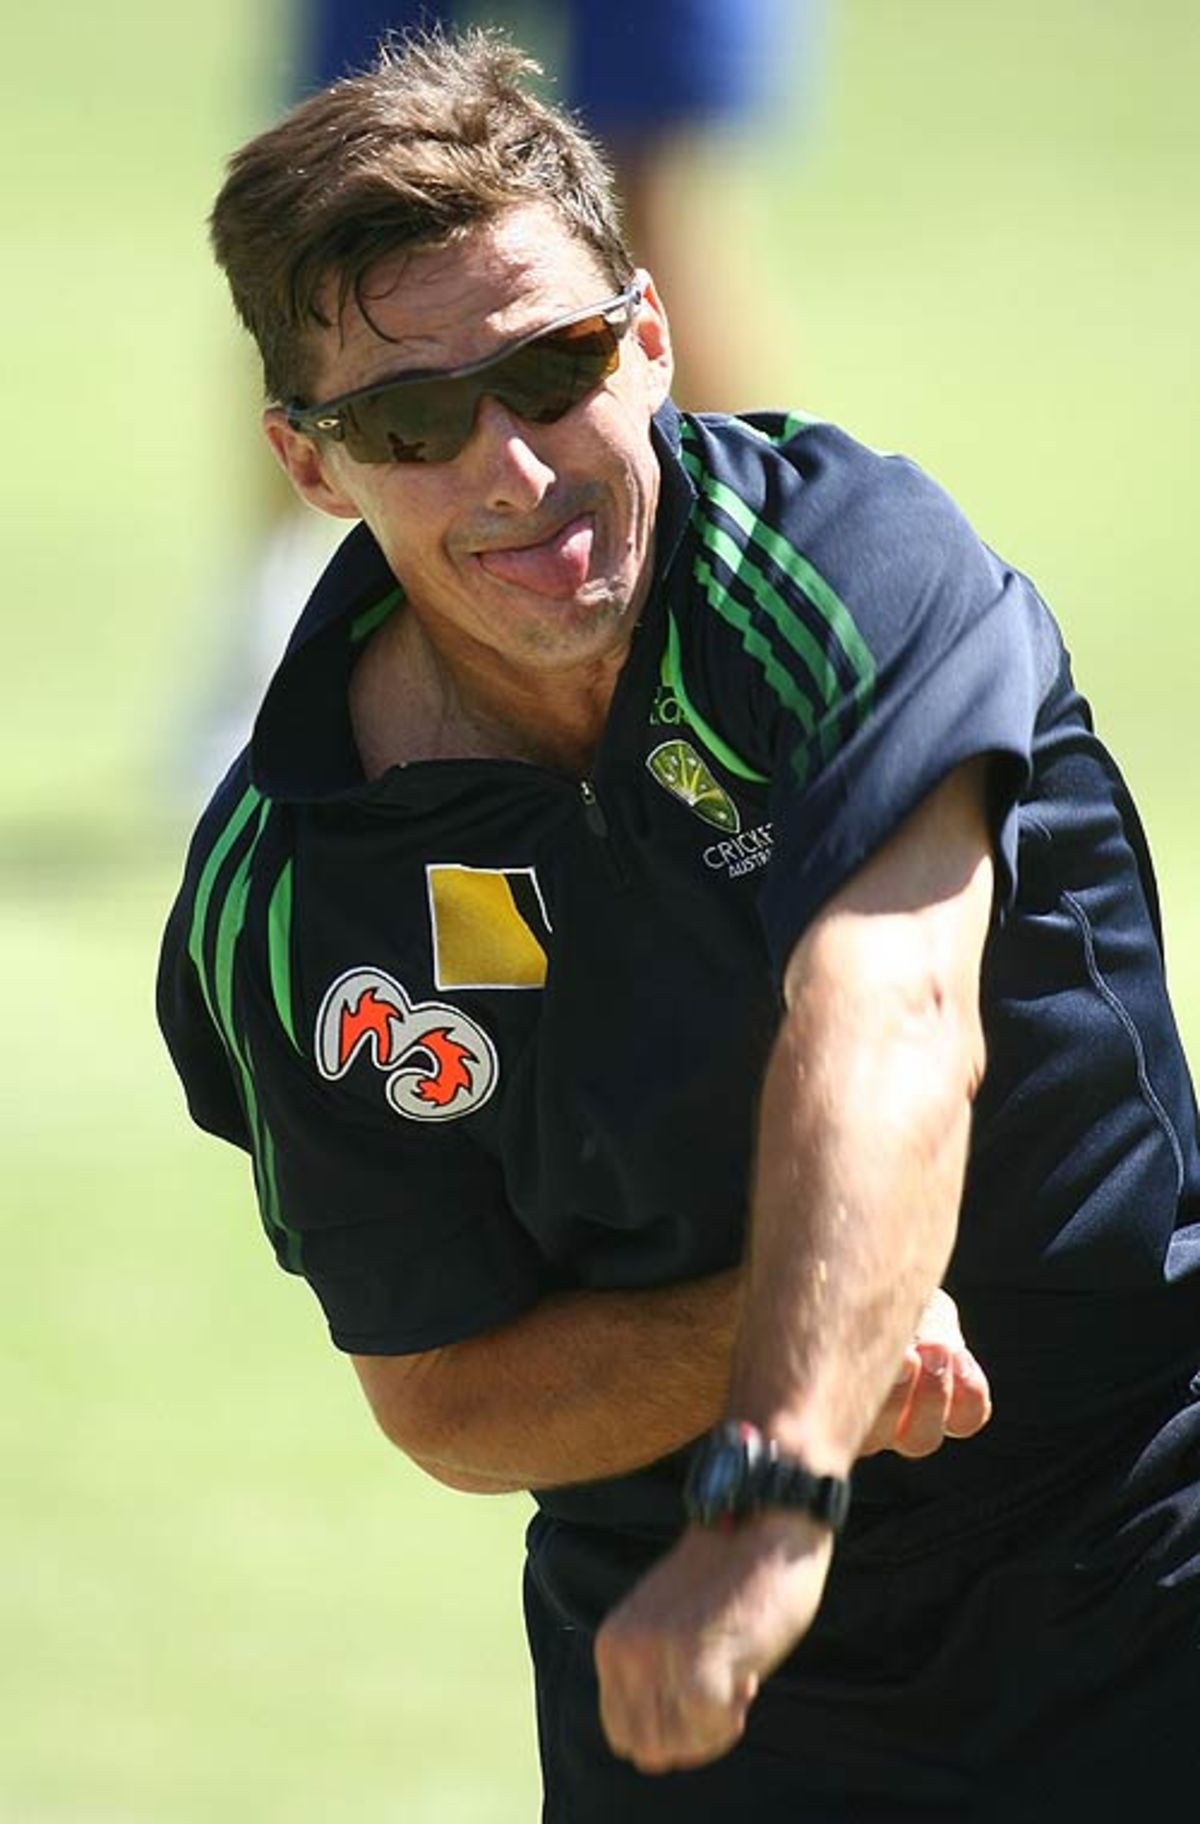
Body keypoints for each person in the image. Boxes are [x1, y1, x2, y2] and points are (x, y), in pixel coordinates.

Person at [157, 28, 1200, 1820]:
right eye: (412, 420)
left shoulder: (846, 571)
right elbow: (442, 1394)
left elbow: (891, 1015)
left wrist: (776, 1496)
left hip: (1139, 1534)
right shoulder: (290, 887)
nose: (512, 469)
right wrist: (788, 1342)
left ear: (650, 337)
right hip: (684, 1666)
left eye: (554, 370)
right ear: (313, 466)